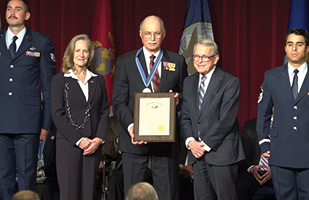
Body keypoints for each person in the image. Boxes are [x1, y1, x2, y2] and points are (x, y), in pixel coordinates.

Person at [112, 15, 188, 199]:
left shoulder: (177, 61)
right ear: (140, 34)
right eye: (147, 33)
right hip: (134, 140)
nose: (152, 38)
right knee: (135, 193)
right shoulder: (126, 61)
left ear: (164, 34)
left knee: (167, 193)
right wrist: (132, 127)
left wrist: (178, 99)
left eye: (156, 33)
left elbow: (186, 96)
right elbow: (119, 102)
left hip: (165, 140)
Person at [0, 0, 56, 199]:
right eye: (8, 8)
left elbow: (49, 87)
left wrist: (46, 123)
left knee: (26, 181)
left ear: (27, 15)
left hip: (28, 123)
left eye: (17, 9)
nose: (12, 12)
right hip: (1, 120)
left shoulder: (41, 42)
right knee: (3, 180)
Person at [180, 39, 245, 200]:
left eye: (205, 57)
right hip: (197, 154)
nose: (199, 61)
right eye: (196, 57)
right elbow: (185, 116)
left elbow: (226, 120)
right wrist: (190, 141)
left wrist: (203, 145)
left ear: (215, 59)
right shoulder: (188, 82)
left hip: (221, 153)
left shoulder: (230, 82)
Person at [51, 34, 109, 200]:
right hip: (69, 145)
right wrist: (79, 140)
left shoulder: (98, 81)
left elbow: (104, 111)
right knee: (70, 194)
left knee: (88, 194)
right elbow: (57, 114)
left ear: (90, 54)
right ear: (71, 53)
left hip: (93, 146)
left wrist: (98, 139)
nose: (81, 54)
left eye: (85, 51)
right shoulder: (59, 80)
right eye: (78, 50)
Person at [257, 28, 309, 199]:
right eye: (290, 44)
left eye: (299, 44)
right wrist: (264, 142)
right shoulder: (271, 76)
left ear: (307, 48)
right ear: (285, 48)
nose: (294, 49)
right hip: (280, 153)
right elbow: (263, 112)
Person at [236, 118, 274, 200]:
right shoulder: (250, 126)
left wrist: (274, 169)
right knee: (240, 186)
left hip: (278, 172)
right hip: (254, 170)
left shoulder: (285, 126)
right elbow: (244, 154)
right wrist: (252, 168)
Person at [35, 124, 59, 200]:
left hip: (48, 177)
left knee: (42, 189)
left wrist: (41, 172)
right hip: (23, 175)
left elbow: (57, 163)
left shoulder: (55, 134)